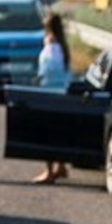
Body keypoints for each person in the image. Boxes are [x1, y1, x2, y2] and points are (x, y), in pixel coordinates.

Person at [27, 14, 74, 182]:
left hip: (49, 93)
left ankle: (49, 171)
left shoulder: (51, 44)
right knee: (59, 132)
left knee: (47, 134)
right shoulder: (63, 44)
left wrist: (38, 79)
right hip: (63, 92)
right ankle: (60, 166)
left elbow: (49, 70)